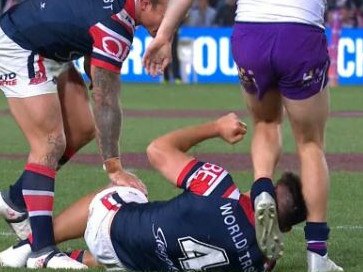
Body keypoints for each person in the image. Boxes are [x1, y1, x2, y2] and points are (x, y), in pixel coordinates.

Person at [142, 1, 344, 272]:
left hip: (251, 30)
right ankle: (317, 257)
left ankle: (261, 190)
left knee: (265, 122)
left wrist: (164, 33)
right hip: (299, 29)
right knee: (310, 144)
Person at [0, 113, 308, 271]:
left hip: (112, 226)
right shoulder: (263, 262)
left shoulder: (220, 188)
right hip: (138, 262)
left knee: (130, 189)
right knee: (162, 248)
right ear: (285, 226)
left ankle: (35, 244)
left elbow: (157, 150)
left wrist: (215, 128)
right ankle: (72, 257)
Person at [0, 0, 167, 268]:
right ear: (146, 4)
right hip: (20, 44)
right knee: (49, 143)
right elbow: (105, 98)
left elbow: (89, 37)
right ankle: (42, 251)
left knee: (82, 128)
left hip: (47, 45)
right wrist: (114, 166)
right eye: (166, 15)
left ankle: (15, 200)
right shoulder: (116, 25)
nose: (169, 25)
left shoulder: (121, 14)